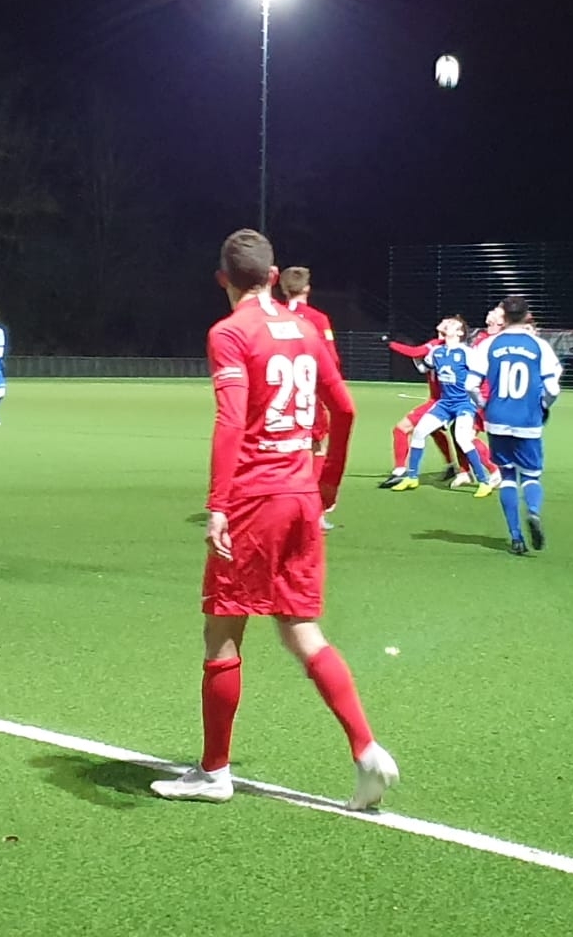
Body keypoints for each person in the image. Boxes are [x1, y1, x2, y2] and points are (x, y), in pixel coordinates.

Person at [150, 228, 397, 808]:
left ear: (222, 280)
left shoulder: (230, 332)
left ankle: (214, 772)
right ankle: (366, 750)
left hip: (254, 499)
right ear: (273, 275)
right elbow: (345, 409)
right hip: (301, 495)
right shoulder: (307, 329)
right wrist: (328, 482)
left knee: (222, 632)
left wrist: (217, 504)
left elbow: (231, 421)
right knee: (300, 629)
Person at [466, 295, 561, 555]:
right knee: (531, 475)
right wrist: (543, 406)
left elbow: (471, 384)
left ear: (504, 317)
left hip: (497, 419)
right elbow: (553, 388)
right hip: (528, 419)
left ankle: (516, 537)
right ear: (527, 315)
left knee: (507, 475)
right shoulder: (539, 346)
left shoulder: (489, 344)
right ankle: (533, 511)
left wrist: (484, 405)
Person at [390, 316, 496, 496]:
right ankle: (412, 477)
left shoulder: (467, 353)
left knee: (463, 439)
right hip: (445, 403)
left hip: (464, 403)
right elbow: (423, 368)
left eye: (453, 324)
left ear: (460, 332)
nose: (448, 324)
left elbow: (482, 374)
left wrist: (478, 398)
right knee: (419, 432)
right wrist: (416, 357)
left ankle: (484, 482)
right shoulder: (437, 352)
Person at [280, 267, 340, 528]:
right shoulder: (318, 319)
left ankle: (279, 508)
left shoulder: (275, 316)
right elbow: (331, 359)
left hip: (276, 395)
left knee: (280, 447)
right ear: (307, 288)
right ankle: (314, 512)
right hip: (308, 393)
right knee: (317, 447)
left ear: (283, 289)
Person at [381, 333, 459, 485]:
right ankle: (452, 467)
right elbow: (422, 366)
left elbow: (415, 352)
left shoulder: (438, 345)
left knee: (401, 429)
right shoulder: (441, 345)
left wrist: (391, 344)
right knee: (435, 431)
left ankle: (400, 470)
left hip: (439, 402)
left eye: (449, 323)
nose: (443, 323)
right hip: (441, 400)